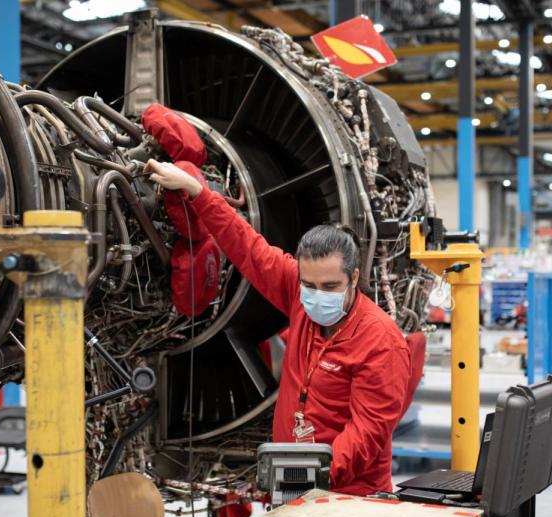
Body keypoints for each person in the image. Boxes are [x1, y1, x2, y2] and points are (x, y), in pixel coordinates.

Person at [145, 158, 412, 497]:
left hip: (350, 494)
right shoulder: (298, 294)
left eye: (330, 287)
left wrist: (313, 476)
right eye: (309, 284)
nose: (316, 296)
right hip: (295, 482)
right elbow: (247, 247)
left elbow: (368, 432)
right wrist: (198, 191)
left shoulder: (380, 340)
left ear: (354, 278)